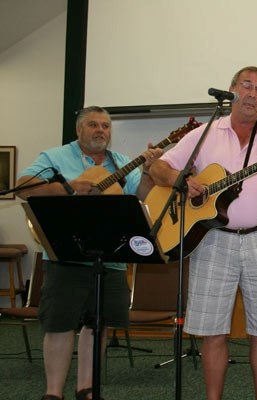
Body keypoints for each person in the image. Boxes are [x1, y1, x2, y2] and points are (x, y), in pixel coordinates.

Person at [149, 66, 257, 400]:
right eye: (246, 85)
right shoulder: (204, 134)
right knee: (211, 331)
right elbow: (157, 166)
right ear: (232, 91)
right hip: (212, 241)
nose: (253, 93)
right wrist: (181, 180)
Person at [16, 105, 163, 400]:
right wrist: (68, 188)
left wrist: (147, 171)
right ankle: (53, 393)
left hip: (112, 258)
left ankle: (87, 390)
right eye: (94, 125)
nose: (101, 131)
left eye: (106, 126)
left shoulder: (121, 163)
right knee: (60, 325)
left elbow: (143, 197)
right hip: (66, 255)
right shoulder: (54, 158)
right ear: (79, 130)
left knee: (98, 326)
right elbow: (23, 187)